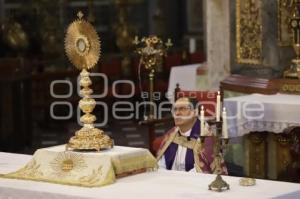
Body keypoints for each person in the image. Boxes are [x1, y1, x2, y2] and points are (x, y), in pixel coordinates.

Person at [156, 97, 227, 174]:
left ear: (195, 112)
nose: (177, 113)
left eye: (183, 109)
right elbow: (161, 163)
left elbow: (202, 170)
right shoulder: (172, 134)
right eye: (175, 109)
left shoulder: (205, 137)